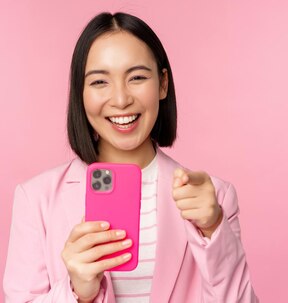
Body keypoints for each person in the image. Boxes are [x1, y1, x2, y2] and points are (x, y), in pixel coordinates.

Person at [3, 12, 258, 303]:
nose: (121, 99)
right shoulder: (36, 199)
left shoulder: (214, 198)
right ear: (80, 93)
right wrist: (77, 293)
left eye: (136, 77)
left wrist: (213, 228)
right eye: (100, 82)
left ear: (162, 84)